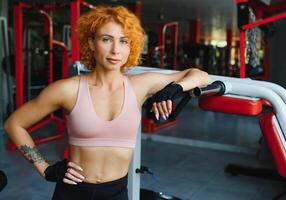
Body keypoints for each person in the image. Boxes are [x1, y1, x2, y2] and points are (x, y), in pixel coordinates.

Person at [4, 5, 209, 200]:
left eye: (123, 41)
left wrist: (175, 88)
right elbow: (14, 124)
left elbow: (200, 75)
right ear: (91, 43)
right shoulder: (68, 89)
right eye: (106, 39)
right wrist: (45, 169)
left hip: (116, 192)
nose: (115, 51)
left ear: (131, 46)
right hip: (73, 191)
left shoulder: (141, 85)